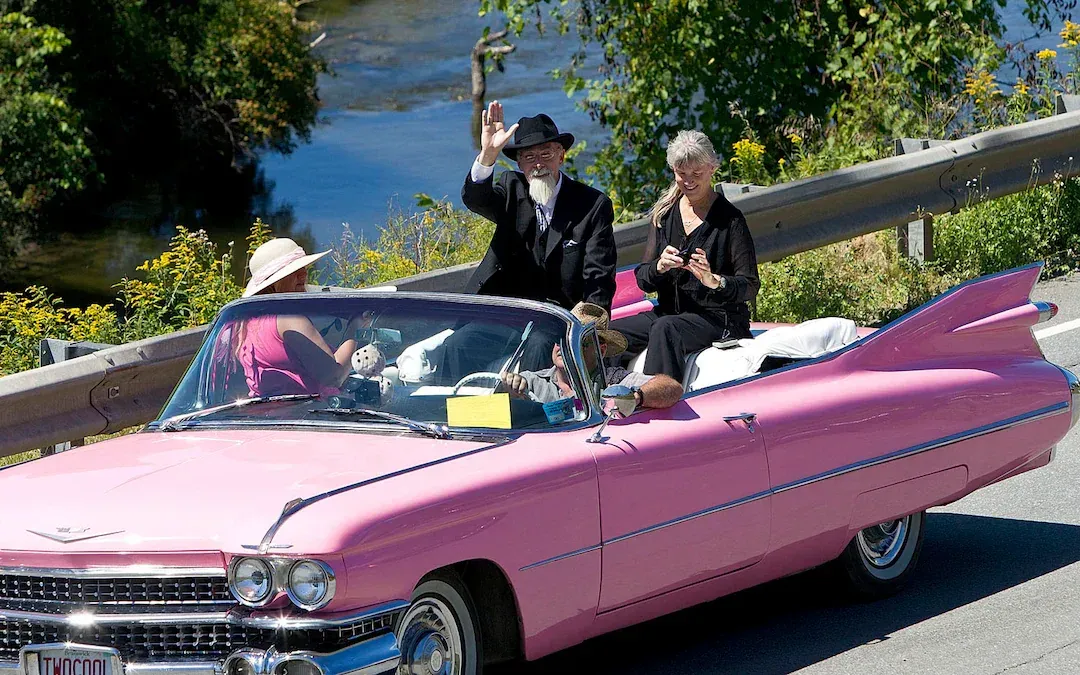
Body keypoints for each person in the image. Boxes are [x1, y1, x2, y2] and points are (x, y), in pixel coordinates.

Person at [609, 130, 760, 382]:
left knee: (665, 328)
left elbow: (750, 285)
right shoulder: (664, 214)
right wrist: (659, 266)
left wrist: (715, 281)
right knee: (608, 336)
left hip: (718, 318)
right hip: (670, 311)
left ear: (712, 169)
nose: (688, 181)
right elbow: (643, 279)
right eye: (681, 174)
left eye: (696, 174)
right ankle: (610, 391)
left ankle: (658, 398)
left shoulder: (731, 220)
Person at [463, 101, 617, 311]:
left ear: (561, 156)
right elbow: (476, 199)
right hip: (503, 311)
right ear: (519, 164)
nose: (538, 164)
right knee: (456, 345)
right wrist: (488, 155)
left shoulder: (592, 205)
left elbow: (598, 280)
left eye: (546, 155)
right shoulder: (511, 188)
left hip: (560, 319)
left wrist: (588, 329)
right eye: (529, 157)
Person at [218, 238, 369, 397]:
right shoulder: (289, 317)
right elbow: (333, 376)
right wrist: (355, 328)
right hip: (312, 414)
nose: (304, 273)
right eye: (294, 271)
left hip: (268, 414)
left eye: (304, 267)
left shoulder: (246, 322)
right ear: (274, 282)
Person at [500, 302, 684, 410]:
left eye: (577, 342)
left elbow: (672, 388)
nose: (564, 347)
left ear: (600, 351)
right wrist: (509, 394)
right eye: (560, 339)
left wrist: (634, 397)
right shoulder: (529, 382)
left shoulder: (614, 380)